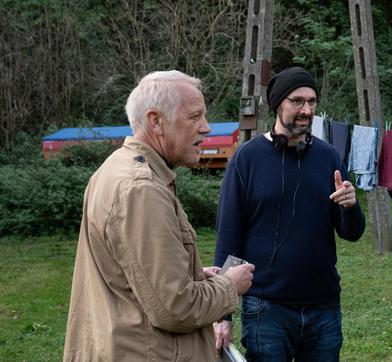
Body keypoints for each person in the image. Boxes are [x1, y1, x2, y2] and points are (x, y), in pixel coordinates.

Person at [63, 70, 255, 361]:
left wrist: (193, 275)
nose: (206, 128)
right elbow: (174, 309)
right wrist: (230, 286)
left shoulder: (117, 167)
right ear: (156, 121)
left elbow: (127, 274)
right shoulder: (142, 190)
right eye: (195, 117)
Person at [213, 66, 366, 361]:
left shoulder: (328, 156)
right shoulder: (247, 159)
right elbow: (229, 236)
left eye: (311, 102)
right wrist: (223, 313)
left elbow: (351, 232)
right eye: (297, 101)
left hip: (324, 307)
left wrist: (350, 206)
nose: (306, 110)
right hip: (266, 308)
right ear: (278, 104)